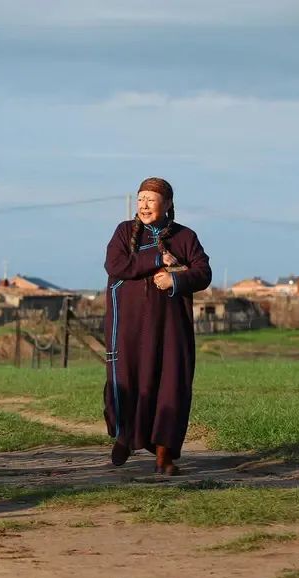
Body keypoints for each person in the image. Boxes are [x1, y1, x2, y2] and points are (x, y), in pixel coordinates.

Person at [103, 177, 212, 475]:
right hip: (129, 326)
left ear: (167, 204)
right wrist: (156, 259)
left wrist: (175, 279)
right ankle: (125, 436)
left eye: (151, 200)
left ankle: (164, 455)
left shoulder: (186, 237)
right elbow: (115, 265)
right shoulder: (124, 232)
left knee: (171, 384)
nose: (144, 205)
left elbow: (203, 272)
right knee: (129, 379)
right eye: (140, 199)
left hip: (171, 328)